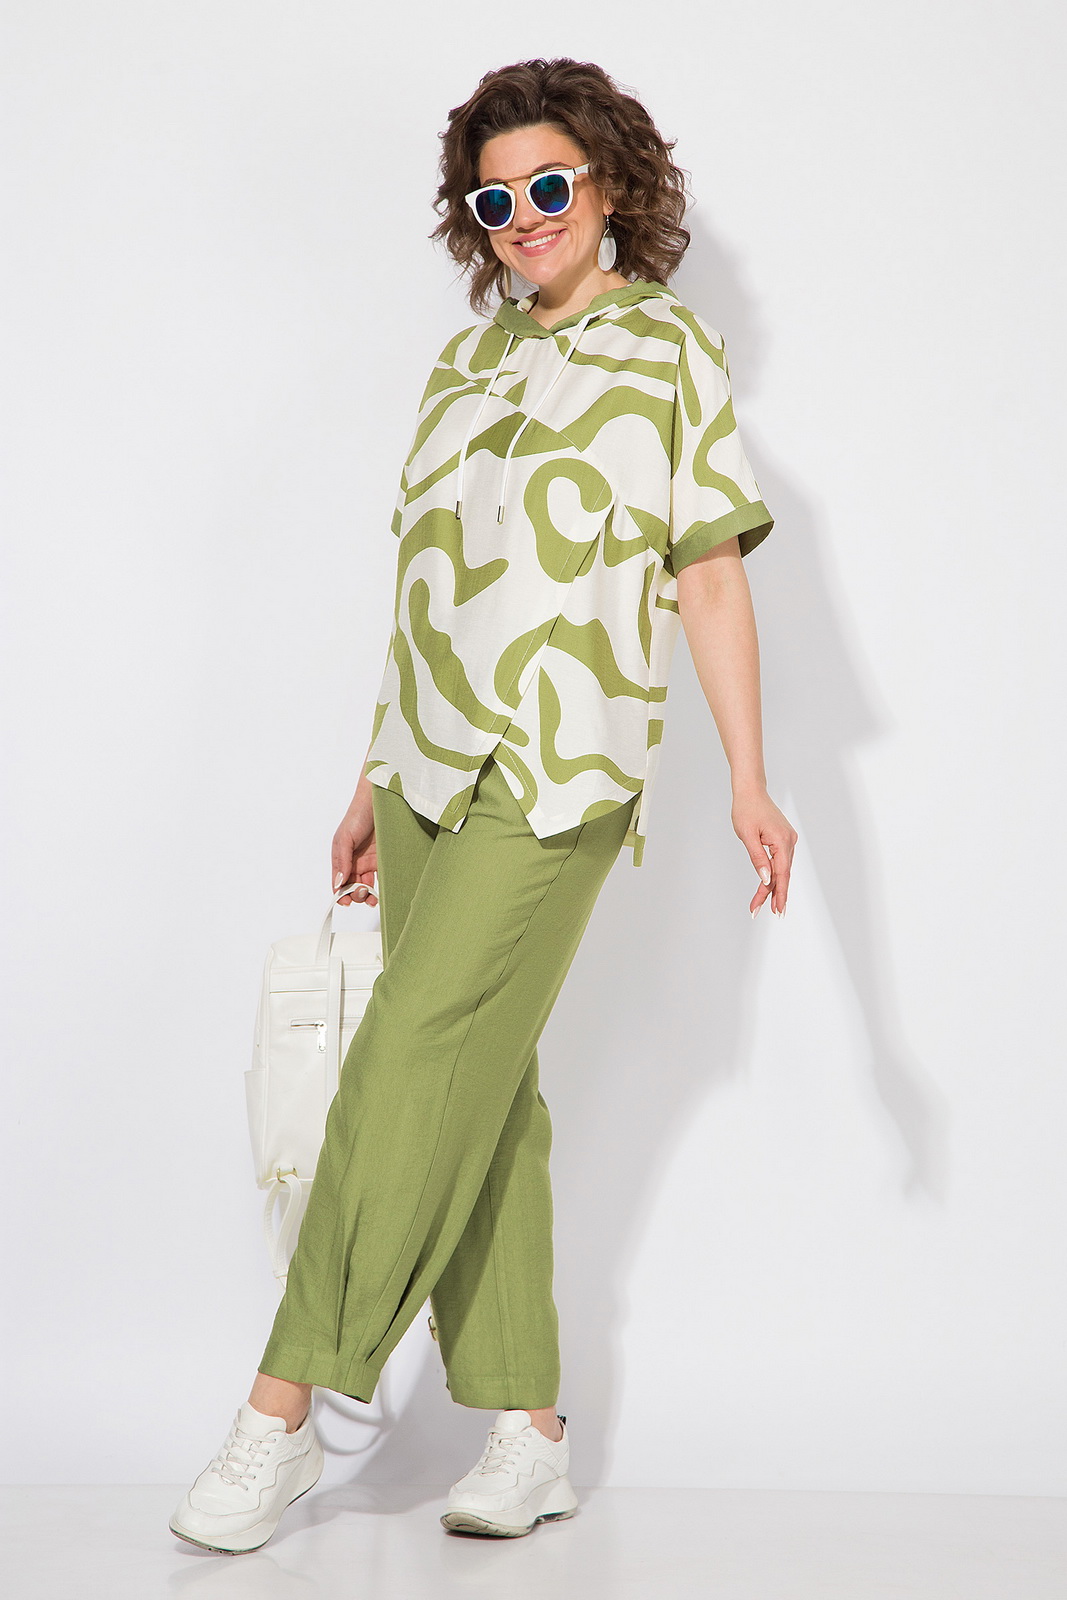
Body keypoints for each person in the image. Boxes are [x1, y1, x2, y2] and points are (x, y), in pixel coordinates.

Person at [170, 56, 798, 1555]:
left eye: (550, 186)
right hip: (424, 763)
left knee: (410, 1052)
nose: (525, 217)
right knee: (485, 1087)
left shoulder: (669, 353)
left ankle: (283, 1405)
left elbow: (707, 570)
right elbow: (430, 600)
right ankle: (529, 1433)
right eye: (495, 198)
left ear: (611, 186)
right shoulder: (464, 365)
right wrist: (367, 779)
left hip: (561, 764)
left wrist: (751, 779)